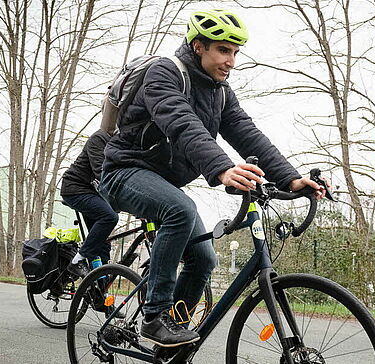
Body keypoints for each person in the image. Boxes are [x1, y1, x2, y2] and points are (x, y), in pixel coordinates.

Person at [98, 9, 326, 348]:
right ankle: (155, 318)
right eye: (223, 50)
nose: (231, 61)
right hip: (123, 172)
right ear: (198, 46)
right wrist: (222, 168)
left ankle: (171, 340)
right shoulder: (163, 73)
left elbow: (248, 134)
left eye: (235, 52)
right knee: (180, 209)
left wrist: (291, 179)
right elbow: (181, 122)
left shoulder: (220, 91)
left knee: (204, 258)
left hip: (163, 183)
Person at [60, 129, 119, 278]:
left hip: (92, 191)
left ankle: (99, 286)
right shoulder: (99, 138)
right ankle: (78, 260)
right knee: (109, 217)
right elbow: (102, 173)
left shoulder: (120, 145)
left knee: (102, 243)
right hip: (75, 189)